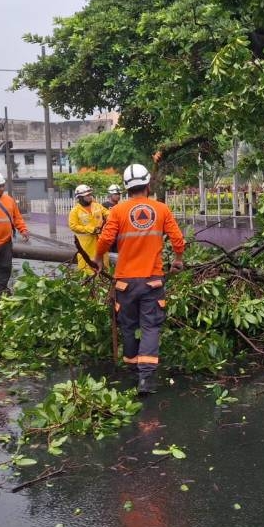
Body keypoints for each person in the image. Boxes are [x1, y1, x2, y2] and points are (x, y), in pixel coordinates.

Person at [95, 163, 185, 394]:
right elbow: (177, 238)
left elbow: (105, 240)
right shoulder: (161, 209)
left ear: (126, 187)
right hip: (152, 281)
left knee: (128, 326)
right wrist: (177, 259)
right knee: (150, 327)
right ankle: (146, 379)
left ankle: (133, 369)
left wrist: (97, 259)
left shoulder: (117, 211)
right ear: (148, 184)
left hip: (125, 282)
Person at [68, 184, 108, 274]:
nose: (90, 196)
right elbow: (73, 226)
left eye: (90, 194)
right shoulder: (75, 211)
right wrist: (91, 229)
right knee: (87, 270)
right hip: (86, 247)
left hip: (101, 242)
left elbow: (108, 214)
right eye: (87, 195)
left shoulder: (97, 206)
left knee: (104, 268)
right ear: (80, 197)